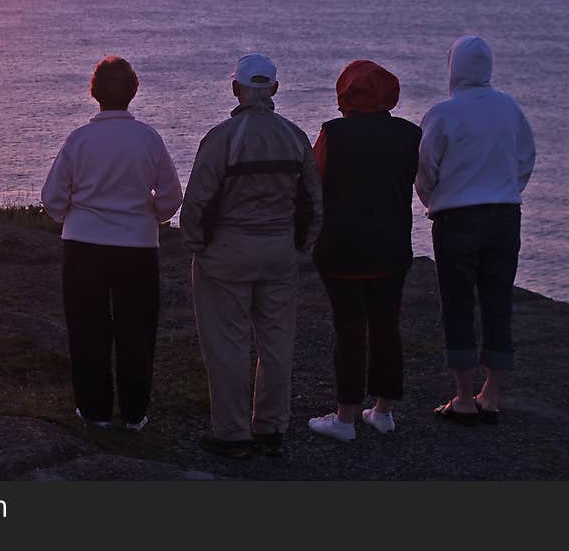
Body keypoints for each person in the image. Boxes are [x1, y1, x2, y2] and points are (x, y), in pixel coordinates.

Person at [180, 53, 323, 459]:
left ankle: (231, 432)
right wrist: (301, 246)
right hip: (279, 251)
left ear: (235, 89)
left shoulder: (222, 138)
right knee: (277, 343)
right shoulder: (295, 137)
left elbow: (197, 202)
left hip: (226, 251)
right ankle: (271, 427)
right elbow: (313, 201)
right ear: (274, 90)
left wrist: (195, 246)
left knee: (228, 344)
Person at [41, 56, 182, 432]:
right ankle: (135, 414)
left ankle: (95, 411)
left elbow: (53, 197)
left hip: (83, 246)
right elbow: (171, 195)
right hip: (137, 247)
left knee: (87, 328)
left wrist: (73, 216)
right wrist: (148, 214)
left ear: (94, 93)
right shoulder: (149, 139)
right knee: (137, 329)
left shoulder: (79, 139)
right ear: (133, 92)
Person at [416, 36, 535, 425]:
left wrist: (435, 199)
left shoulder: (443, 114)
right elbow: (524, 158)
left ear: (454, 67)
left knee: (458, 303)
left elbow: (426, 169)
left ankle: (464, 396)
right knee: (498, 300)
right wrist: (505, 189)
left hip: (456, 220)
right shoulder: (509, 108)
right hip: (504, 216)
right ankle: (493, 393)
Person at [306, 60, 421, 442]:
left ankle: (345, 417)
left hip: (342, 250)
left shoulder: (333, 134)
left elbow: (312, 183)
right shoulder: (409, 135)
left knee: (349, 329)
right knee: (387, 327)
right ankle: (383, 411)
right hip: (392, 249)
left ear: (345, 93)